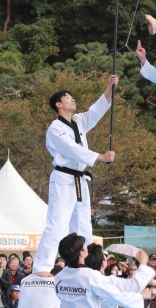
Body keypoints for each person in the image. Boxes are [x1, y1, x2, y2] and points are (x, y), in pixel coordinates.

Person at [35, 76, 117, 274]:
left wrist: (109, 87)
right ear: (58, 104)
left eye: (72, 96)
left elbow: (97, 110)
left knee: (83, 225)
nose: (72, 99)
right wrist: (100, 156)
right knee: (57, 223)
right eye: (67, 97)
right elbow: (71, 149)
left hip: (80, 179)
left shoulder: (79, 121)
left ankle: (87, 265)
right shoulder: (55, 129)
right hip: (63, 179)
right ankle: (41, 267)